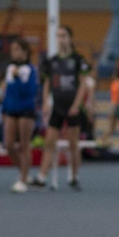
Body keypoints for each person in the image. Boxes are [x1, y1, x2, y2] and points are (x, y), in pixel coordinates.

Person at [40, 24, 93, 190]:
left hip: (73, 107)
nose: (61, 39)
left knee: (73, 143)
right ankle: (41, 177)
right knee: (49, 142)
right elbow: (47, 83)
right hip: (57, 106)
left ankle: (74, 177)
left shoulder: (78, 60)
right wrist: (45, 102)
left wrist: (77, 105)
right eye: (58, 36)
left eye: (64, 36)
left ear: (70, 38)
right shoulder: (52, 61)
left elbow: (84, 84)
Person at [0, 37, 42, 193]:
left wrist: (18, 78)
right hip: (11, 110)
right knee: (9, 144)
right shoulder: (10, 68)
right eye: (12, 50)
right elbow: (8, 92)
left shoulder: (31, 69)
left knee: (24, 146)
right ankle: (24, 171)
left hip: (25, 110)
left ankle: (23, 179)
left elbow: (29, 92)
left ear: (25, 52)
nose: (14, 53)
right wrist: (3, 110)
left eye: (18, 49)